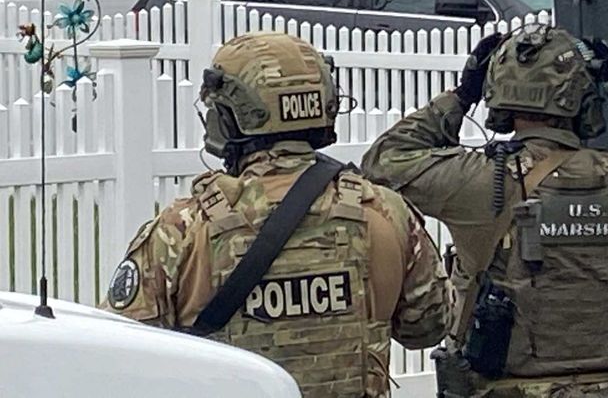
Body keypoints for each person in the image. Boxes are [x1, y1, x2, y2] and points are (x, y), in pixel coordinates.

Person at [361, 24, 608, 397]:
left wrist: (461, 96)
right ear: (585, 100)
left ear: (500, 101)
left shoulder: (475, 182)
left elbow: (383, 161)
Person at [101, 32, 452, 397]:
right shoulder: (384, 212)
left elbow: (122, 356)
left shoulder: (185, 229)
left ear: (228, 119)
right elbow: (426, 328)